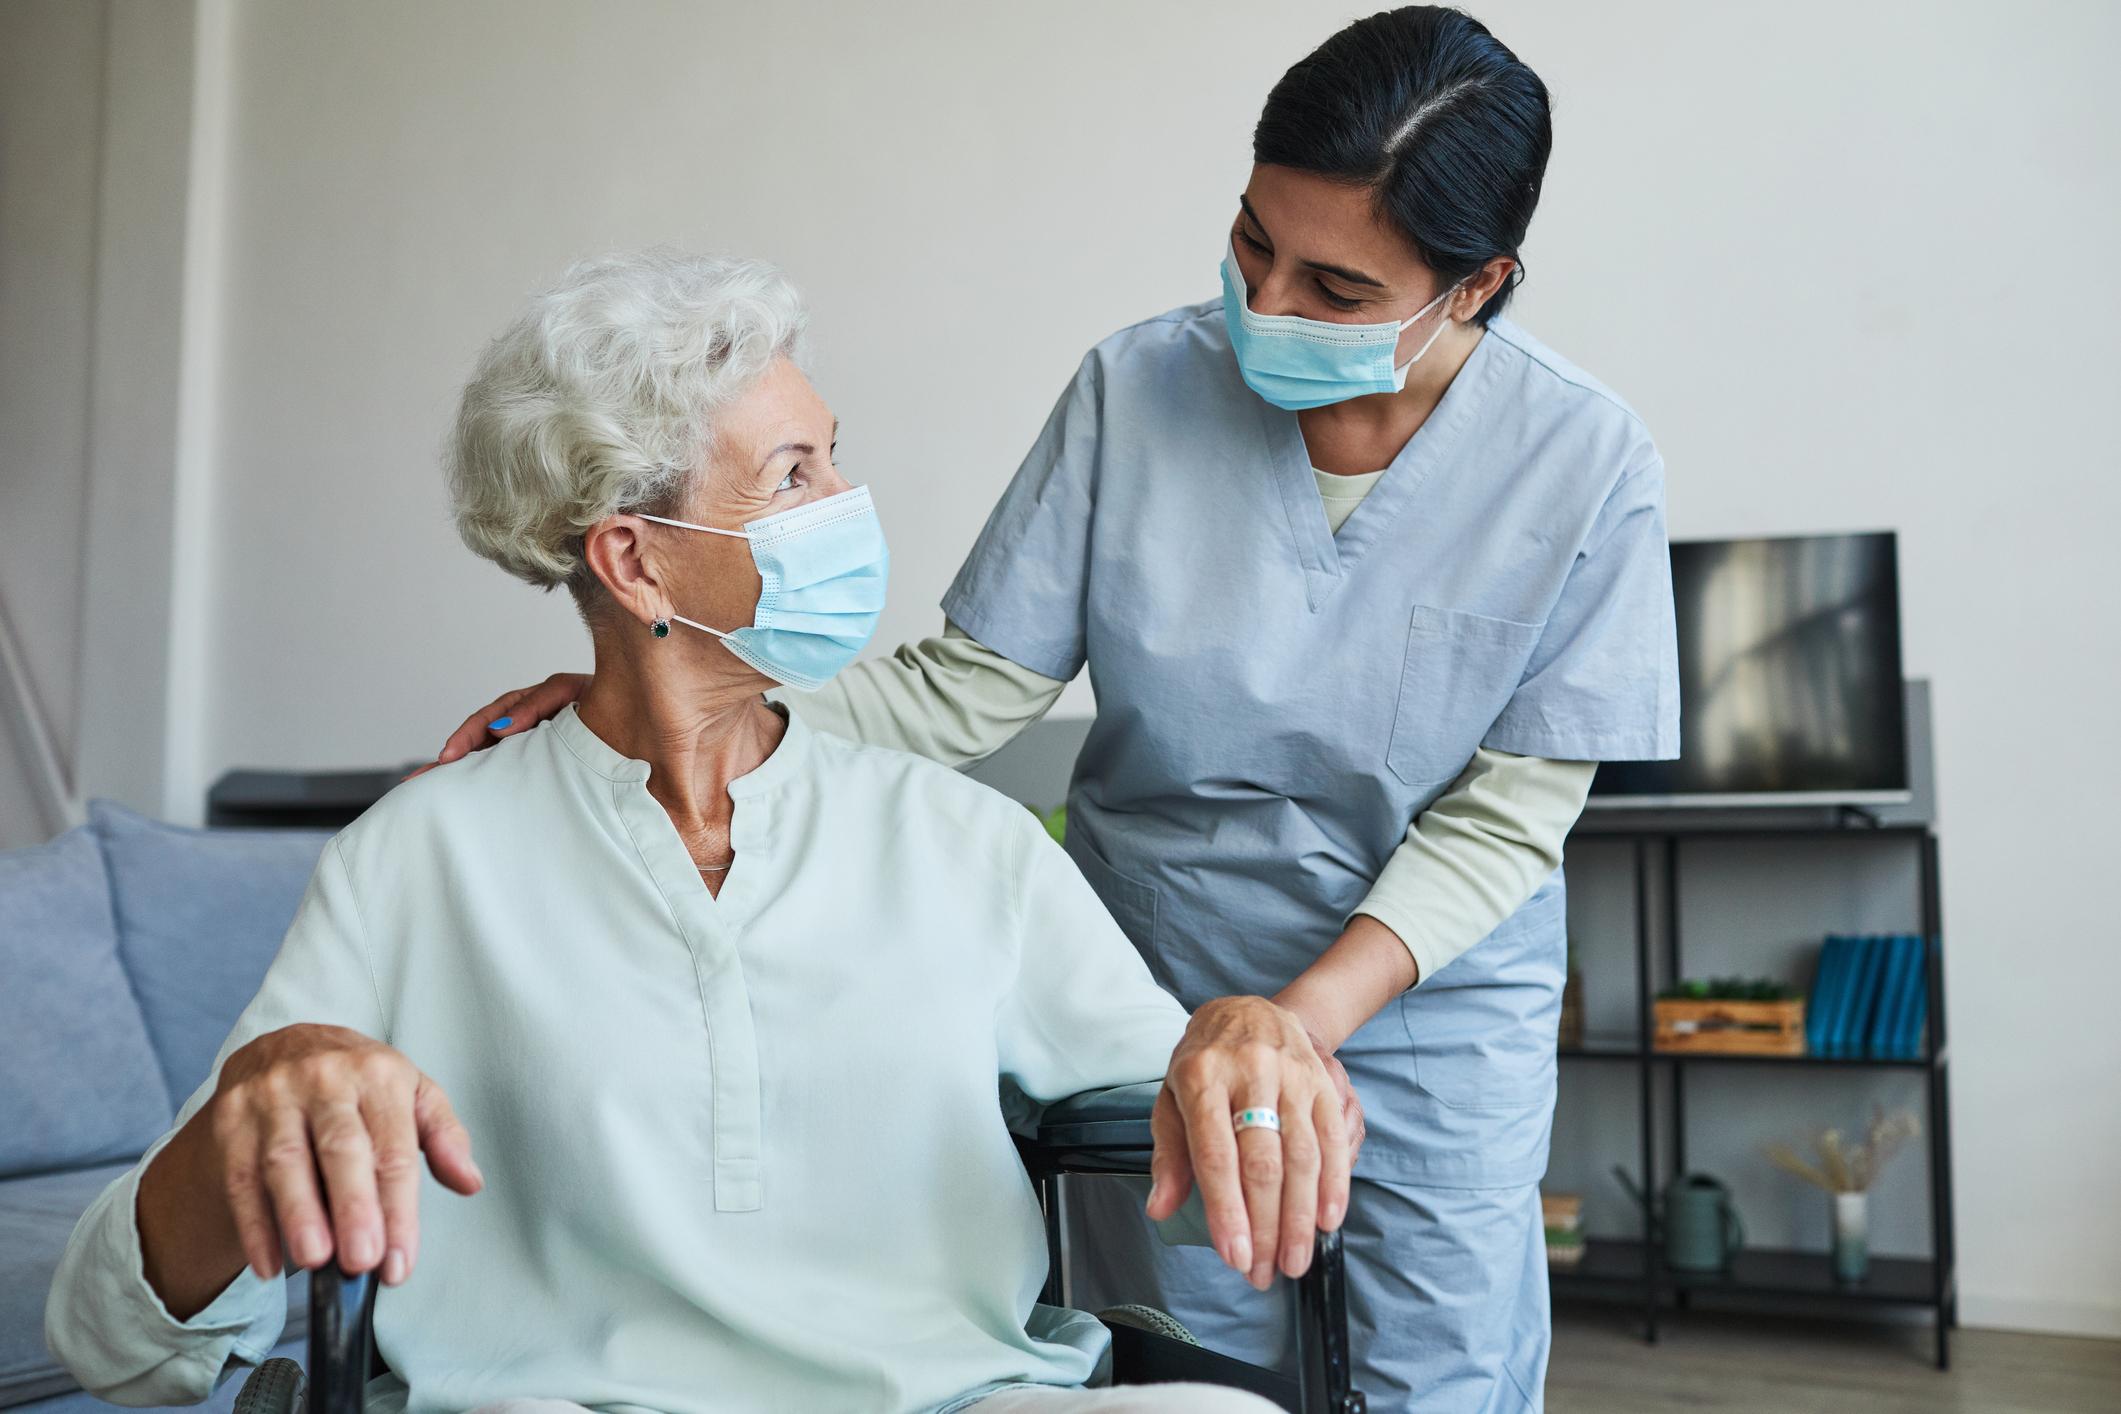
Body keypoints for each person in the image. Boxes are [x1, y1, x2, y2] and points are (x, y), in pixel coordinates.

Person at [429, 9, 1680, 1410]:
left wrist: (1293, 1019)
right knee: (1200, 1354)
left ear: (1475, 286)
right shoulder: (1137, 388)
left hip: (1427, 1005)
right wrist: (659, 707)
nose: (1266, 306)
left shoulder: (1582, 460)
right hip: (1158, 978)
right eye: (1251, 244)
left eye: (1334, 288)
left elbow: (1508, 817)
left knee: (1436, 1373)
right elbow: (966, 688)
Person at [45, 250, 1353, 1414]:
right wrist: (252, 1107)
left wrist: (1242, 1052)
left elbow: (1219, 1150)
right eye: (793, 475)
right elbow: (117, 1338)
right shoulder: (416, 857)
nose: (849, 499)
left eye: (831, 454)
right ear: (635, 562)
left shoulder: (968, 842)